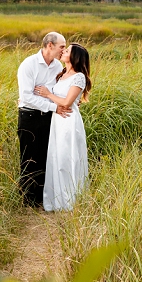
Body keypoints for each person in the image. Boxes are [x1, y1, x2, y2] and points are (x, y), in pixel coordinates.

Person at [34, 42, 91, 211]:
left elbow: (67, 102)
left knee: (68, 157)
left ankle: (71, 200)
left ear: (75, 57)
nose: (63, 52)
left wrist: (48, 94)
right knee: (56, 157)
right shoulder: (62, 74)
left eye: (67, 51)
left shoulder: (79, 76)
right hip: (57, 121)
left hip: (68, 121)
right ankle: (56, 200)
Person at [16, 32, 70, 207]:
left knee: (46, 156)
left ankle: (42, 197)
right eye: (61, 46)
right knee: (29, 158)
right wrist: (54, 106)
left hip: (48, 118)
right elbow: (27, 96)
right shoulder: (29, 64)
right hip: (29, 116)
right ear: (50, 46)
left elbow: (56, 92)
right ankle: (28, 200)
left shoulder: (57, 67)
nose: (63, 50)